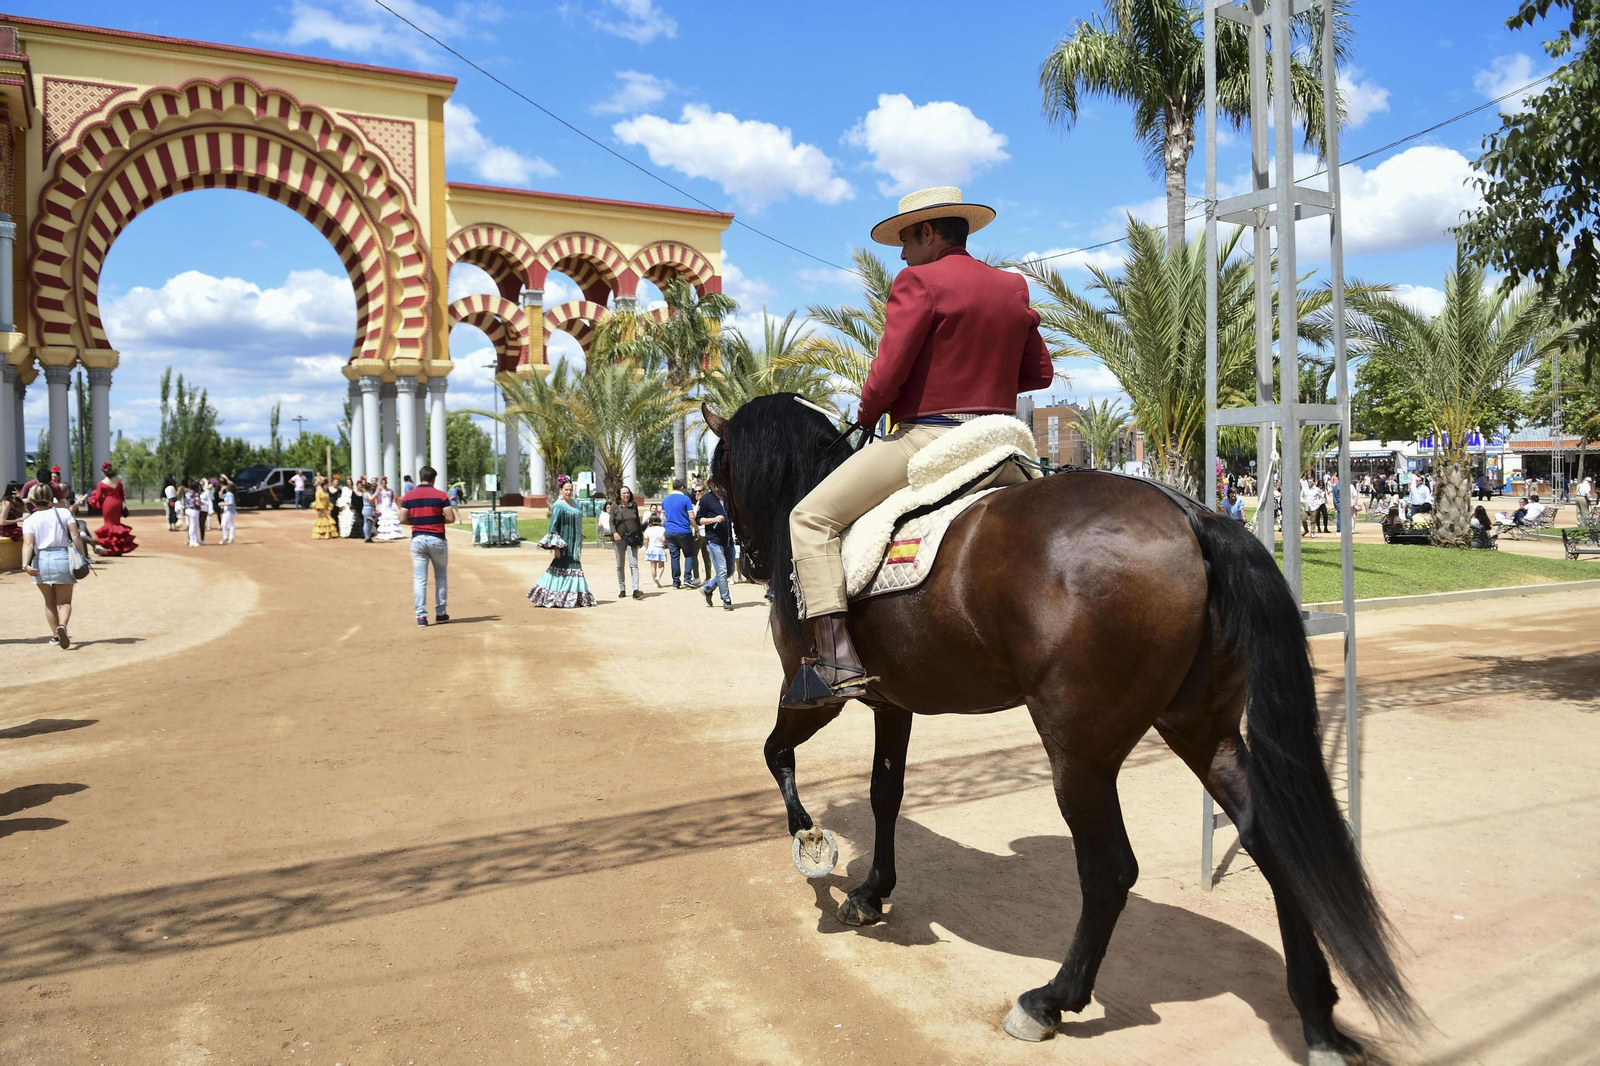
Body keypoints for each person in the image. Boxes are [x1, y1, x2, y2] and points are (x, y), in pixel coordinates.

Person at [782, 186, 1054, 709]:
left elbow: (885, 376)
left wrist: (866, 416)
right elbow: (1039, 372)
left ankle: (837, 660)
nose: (901, 255)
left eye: (905, 241)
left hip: (930, 438)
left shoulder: (919, 281)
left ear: (929, 234)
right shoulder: (1011, 286)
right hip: (998, 442)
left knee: (809, 518)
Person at [21, 483, 89, 648]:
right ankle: (63, 625)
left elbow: (28, 544)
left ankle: (55, 636)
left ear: (32, 499)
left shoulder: (29, 520)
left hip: (40, 559)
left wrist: (25, 565)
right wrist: (82, 556)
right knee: (64, 602)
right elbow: (75, 535)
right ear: (50, 496)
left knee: (49, 601)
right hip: (62, 557)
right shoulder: (64, 512)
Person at [400, 464, 455, 626]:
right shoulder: (441, 495)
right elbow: (450, 517)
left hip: (418, 539)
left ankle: (421, 616)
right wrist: (437, 519)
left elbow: (402, 518)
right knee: (440, 576)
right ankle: (441, 613)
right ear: (434, 479)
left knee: (419, 579)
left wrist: (416, 522)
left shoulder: (409, 496)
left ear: (420, 477)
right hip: (437, 538)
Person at [530, 476, 595, 608]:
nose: (568, 492)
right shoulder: (558, 506)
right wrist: (556, 547)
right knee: (561, 569)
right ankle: (553, 597)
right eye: (566, 490)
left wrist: (579, 534)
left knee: (573, 568)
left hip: (574, 545)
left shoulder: (575, 504)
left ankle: (572, 597)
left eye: (570, 490)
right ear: (561, 490)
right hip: (563, 544)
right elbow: (553, 527)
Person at [82, 462, 138, 555]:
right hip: (118, 503)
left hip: (108, 504)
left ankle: (110, 548)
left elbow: (98, 497)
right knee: (116, 523)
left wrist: (92, 498)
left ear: (103, 473)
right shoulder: (118, 482)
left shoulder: (102, 483)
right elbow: (122, 495)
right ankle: (118, 548)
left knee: (109, 524)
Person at [697, 477, 735, 611]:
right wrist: (713, 519)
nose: (717, 486)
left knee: (730, 570)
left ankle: (708, 588)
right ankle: (726, 599)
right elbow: (699, 520)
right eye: (714, 483)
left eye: (720, 482)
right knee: (722, 570)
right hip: (714, 540)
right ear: (710, 485)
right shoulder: (706, 499)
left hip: (728, 539)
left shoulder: (727, 498)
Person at [608, 485, 644, 600]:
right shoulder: (614, 507)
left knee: (634, 564)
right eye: (624, 493)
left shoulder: (633, 506)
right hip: (619, 539)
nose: (626, 495)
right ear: (619, 494)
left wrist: (641, 538)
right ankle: (622, 589)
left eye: (628, 493)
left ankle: (636, 589)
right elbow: (611, 522)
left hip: (632, 539)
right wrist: (614, 533)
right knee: (620, 565)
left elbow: (637, 522)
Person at [661, 478, 699, 588]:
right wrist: (696, 529)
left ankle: (675, 581)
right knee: (689, 554)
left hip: (669, 531)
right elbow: (691, 516)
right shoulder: (685, 499)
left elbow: (663, 517)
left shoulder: (666, 499)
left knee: (674, 557)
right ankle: (687, 578)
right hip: (683, 531)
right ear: (682, 487)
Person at [643, 513, 668, 588]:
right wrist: (665, 543)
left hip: (651, 548)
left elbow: (646, 541)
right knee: (661, 566)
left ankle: (655, 582)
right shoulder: (662, 529)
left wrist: (646, 548)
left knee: (653, 566)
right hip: (659, 548)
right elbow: (663, 539)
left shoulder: (648, 530)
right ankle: (658, 577)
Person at [182, 479, 202, 547]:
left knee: (193, 525)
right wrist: (201, 504)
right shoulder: (195, 494)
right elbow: (197, 502)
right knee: (194, 526)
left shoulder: (188, 492)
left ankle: (195, 539)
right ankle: (192, 541)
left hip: (188, 509)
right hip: (194, 510)